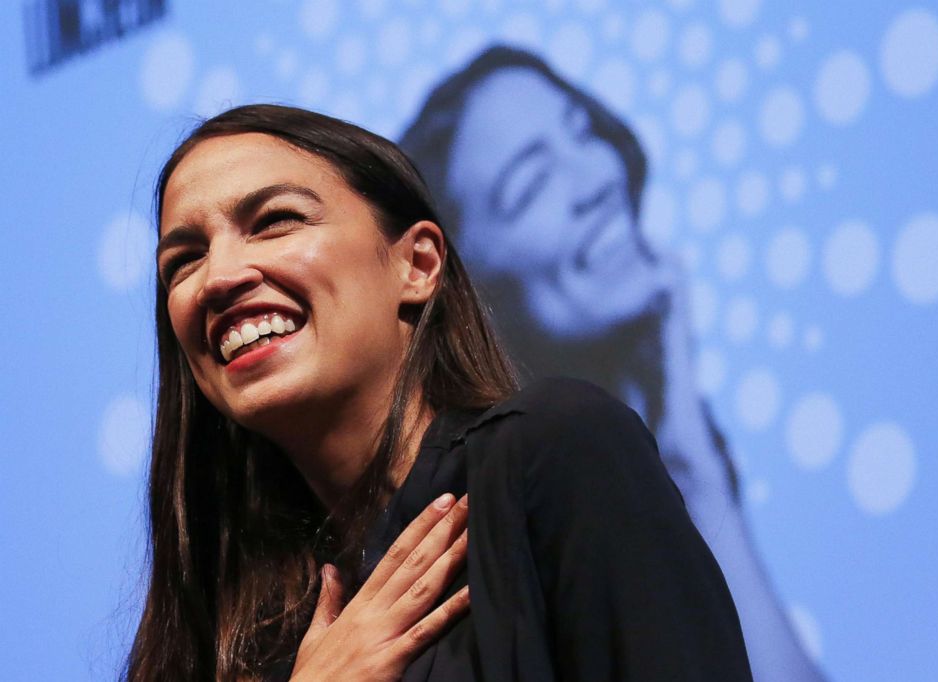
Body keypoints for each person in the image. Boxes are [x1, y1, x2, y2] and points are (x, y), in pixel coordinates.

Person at [126, 103, 752, 681]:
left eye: (276, 221)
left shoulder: (559, 451)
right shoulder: (216, 629)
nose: (220, 277)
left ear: (418, 265)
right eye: (184, 260)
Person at [400, 46, 826, 682]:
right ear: (458, 279)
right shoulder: (462, 533)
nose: (595, 178)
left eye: (581, 132)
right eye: (531, 185)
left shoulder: (668, 448)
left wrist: (696, 466)